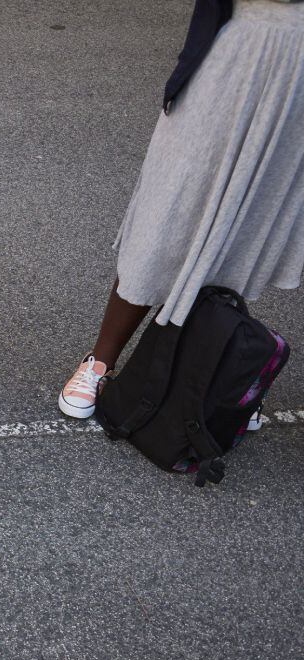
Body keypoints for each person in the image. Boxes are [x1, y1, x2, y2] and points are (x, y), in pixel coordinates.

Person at [58, 0, 304, 420]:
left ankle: (205, 376)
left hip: (295, 83)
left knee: (243, 229)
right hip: (233, 56)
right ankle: (99, 361)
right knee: (167, 210)